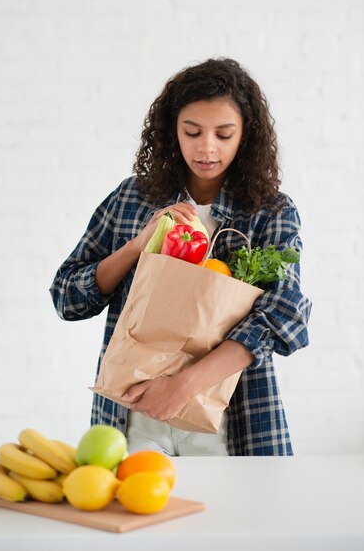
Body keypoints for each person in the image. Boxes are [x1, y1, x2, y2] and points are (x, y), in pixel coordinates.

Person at [49, 57, 312, 456]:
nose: (207, 147)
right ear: (173, 133)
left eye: (224, 135)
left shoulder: (269, 211)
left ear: (246, 136)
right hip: (133, 415)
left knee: (243, 518)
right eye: (192, 132)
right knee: (136, 516)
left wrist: (182, 386)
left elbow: (286, 314)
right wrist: (139, 245)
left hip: (229, 419)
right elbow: (67, 297)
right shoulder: (131, 199)